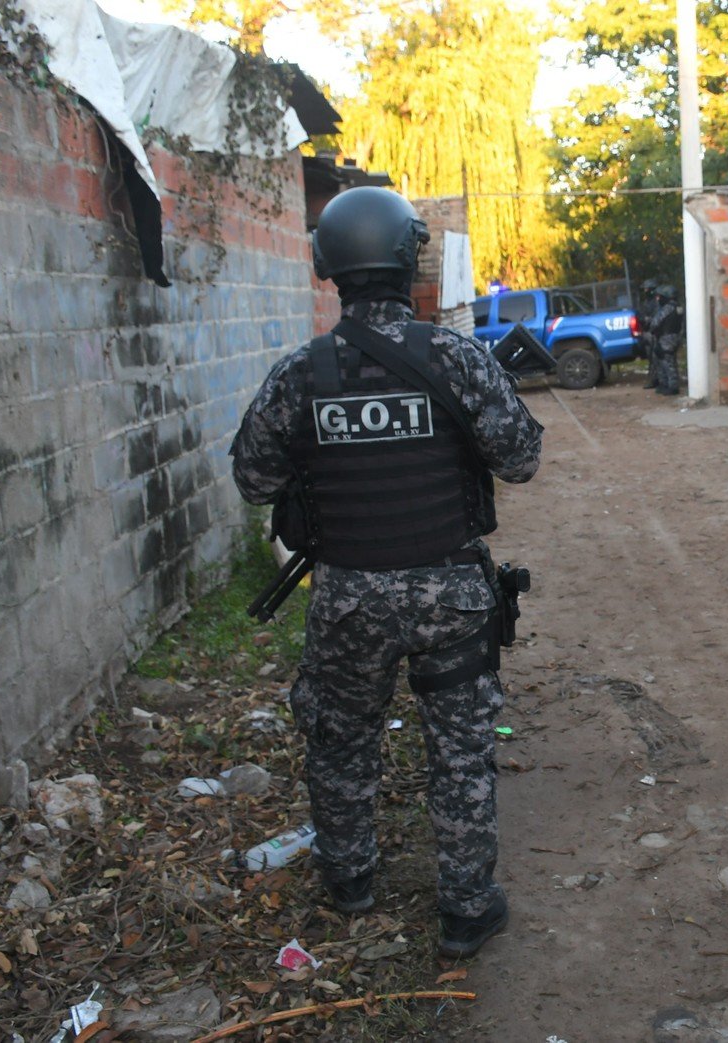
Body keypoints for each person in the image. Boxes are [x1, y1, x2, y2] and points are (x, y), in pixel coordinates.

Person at [230, 186, 543, 956]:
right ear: (411, 258)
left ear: (326, 266)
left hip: (347, 598)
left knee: (341, 740)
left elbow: (252, 480)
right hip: (450, 593)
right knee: (459, 749)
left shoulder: (300, 374)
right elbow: (522, 459)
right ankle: (467, 909)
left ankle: (350, 882)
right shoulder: (456, 357)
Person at [649, 283, 684, 396]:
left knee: (667, 361)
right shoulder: (678, 307)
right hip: (675, 337)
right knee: (668, 360)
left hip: (666, 338)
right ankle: (666, 384)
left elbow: (655, 324)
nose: (658, 299)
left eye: (660, 297)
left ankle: (672, 386)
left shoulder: (668, 308)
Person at [636, 278, 660, 388]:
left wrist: (648, 320)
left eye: (646, 289)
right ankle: (654, 379)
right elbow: (641, 316)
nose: (645, 291)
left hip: (656, 334)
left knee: (656, 359)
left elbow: (657, 318)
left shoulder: (657, 302)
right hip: (648, 334)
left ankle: (656, 380)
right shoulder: (646, 303)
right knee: (652, 359)